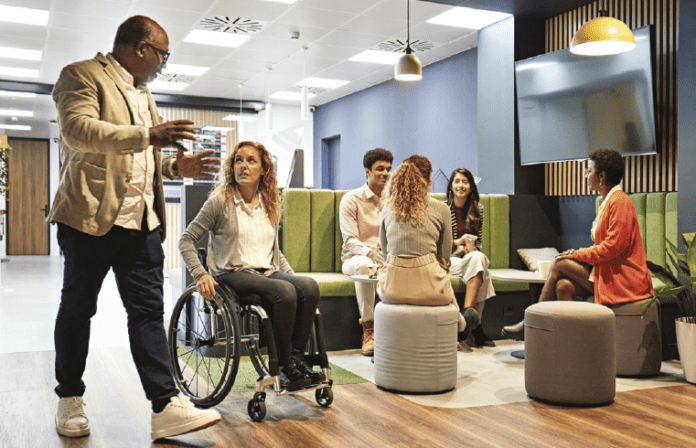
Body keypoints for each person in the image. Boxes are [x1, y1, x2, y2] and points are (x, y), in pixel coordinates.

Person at [48, 15, 222, 440]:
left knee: (147, 313)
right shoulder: (81, 75)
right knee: (78, 311)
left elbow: (141, 160)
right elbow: (78, 131)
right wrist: (147, 135)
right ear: (142, 48)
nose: (164, 64)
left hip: (141, 225)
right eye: (163, 55)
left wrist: (175, 168)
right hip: (90, 219)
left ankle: (164, 405)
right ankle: (69, 396)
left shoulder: (144, 93)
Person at [179, 141, 323, 392]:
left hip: (266, 272)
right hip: (232, 274)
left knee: (308, 286)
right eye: (238, 160)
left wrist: (294, 278)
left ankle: (296, 360)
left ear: (263, 169)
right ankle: (282, 366)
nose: (243, 166)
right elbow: (186, 240)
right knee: (284, 291)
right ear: (232, 167)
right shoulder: (219, 201)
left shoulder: (270, 203)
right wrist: (200, 274)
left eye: (251, 160)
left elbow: (273, 251)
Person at [502, 148, 654, 340]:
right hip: (608, 273)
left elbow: (612, 247)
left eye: (589, 171)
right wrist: (578, 254)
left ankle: (531, 323)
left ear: (602, 176)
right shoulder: (607, 201)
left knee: (559, 263)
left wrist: (577, 254)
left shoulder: (620, 202)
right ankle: (571, 342)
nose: (585, 176)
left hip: (624, 279)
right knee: (563, 286)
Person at [378, 155, 476, 344]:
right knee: (439, 274)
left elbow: (385, 253)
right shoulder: (441, 208)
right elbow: (445, 256)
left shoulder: (387, 208)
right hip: (430, 290)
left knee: (434, 272)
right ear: (429, 178)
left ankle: (461, 324)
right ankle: (461, 325)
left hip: (391, 288)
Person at [339, 148, 393, 356]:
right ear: (367, 172)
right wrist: (370, 253)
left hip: (385, 259)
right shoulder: (352, 199)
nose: (385, 173)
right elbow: (350, 240)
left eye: (388, 169)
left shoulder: (393, 201)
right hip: (355, 259)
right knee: (366, 265)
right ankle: (369, 329)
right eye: (380, 169)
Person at [445, 168, 496, 347]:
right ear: (451, 185)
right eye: (457, 181)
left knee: (478, 259)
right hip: (448, 260)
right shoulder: (443, 208)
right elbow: (438, 243)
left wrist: (472, 248)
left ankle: (467, 317)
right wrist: (459, 243)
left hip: (470, 259)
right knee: (483, 270)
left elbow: (479, 244)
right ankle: (475, 326)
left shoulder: (478, 209)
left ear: (471, 187)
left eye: (465, 182)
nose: (461, 185)